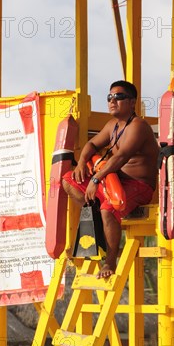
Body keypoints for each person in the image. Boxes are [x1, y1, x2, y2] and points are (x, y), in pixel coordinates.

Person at [63, 80, 159, 278]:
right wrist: (81, 162)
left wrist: (96, 180)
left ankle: (110, 260)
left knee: (109, 208)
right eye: (109, 97)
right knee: (67, 180)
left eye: (119, 97)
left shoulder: (138, 126)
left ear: (132, 102)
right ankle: (100, 220)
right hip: (113, 183)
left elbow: (121, 156)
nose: (112, 101)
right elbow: (91, 144)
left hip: (139, 186)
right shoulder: (112, 125)